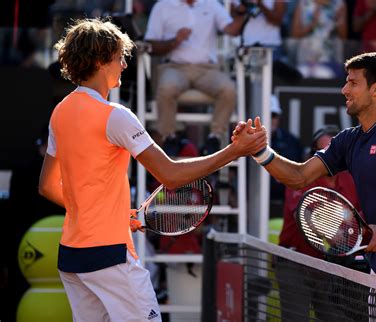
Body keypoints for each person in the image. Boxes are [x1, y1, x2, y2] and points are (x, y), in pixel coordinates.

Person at [38, 18, 266, 321]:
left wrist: (106, 212)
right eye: (120, 57)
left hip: (71, 258)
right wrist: (235, 151)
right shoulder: (116, 116)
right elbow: (170, 174)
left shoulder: (60, 112)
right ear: (99, 61)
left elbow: (48, 186)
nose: (124, 64)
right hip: (109, 256)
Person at [233, 52, 376, 292]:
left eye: (353, 83)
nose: (344, 90)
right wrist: (259, 151)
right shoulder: (347, 141)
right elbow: (299, 177)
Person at [277, 125, 367, 321]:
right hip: (296, 262)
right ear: (312, 155)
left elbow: (362, 217)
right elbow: (303, 216)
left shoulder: (351, 179)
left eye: (335, 153)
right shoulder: (300, 176)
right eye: (324, 152)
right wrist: (339, 232)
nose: (331, 158)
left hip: (333, 268)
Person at [141, 0, 247, 157]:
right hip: (175, 67)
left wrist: (242, 12)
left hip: (206, 69)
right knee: (166, 88)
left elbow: (232, 30)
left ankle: (215, 137)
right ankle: (169, 137)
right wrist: (175, 41)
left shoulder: (211, 4)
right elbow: (150, 46)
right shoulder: (162, 6)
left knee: (229, 89)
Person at [290, 0, 347, 78]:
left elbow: (344, 37)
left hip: (330, 61)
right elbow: (295, 34)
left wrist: (338, 21)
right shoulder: (303, 3)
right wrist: (312, 24)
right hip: (305, 60)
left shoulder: (339, 4)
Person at [269, 95, 303, 206]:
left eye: (273, 115)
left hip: (287, 204)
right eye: (266, 115)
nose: (270, 119)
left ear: (278, 117)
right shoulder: (247, 142)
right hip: (252, 203)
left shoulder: (291, 142)